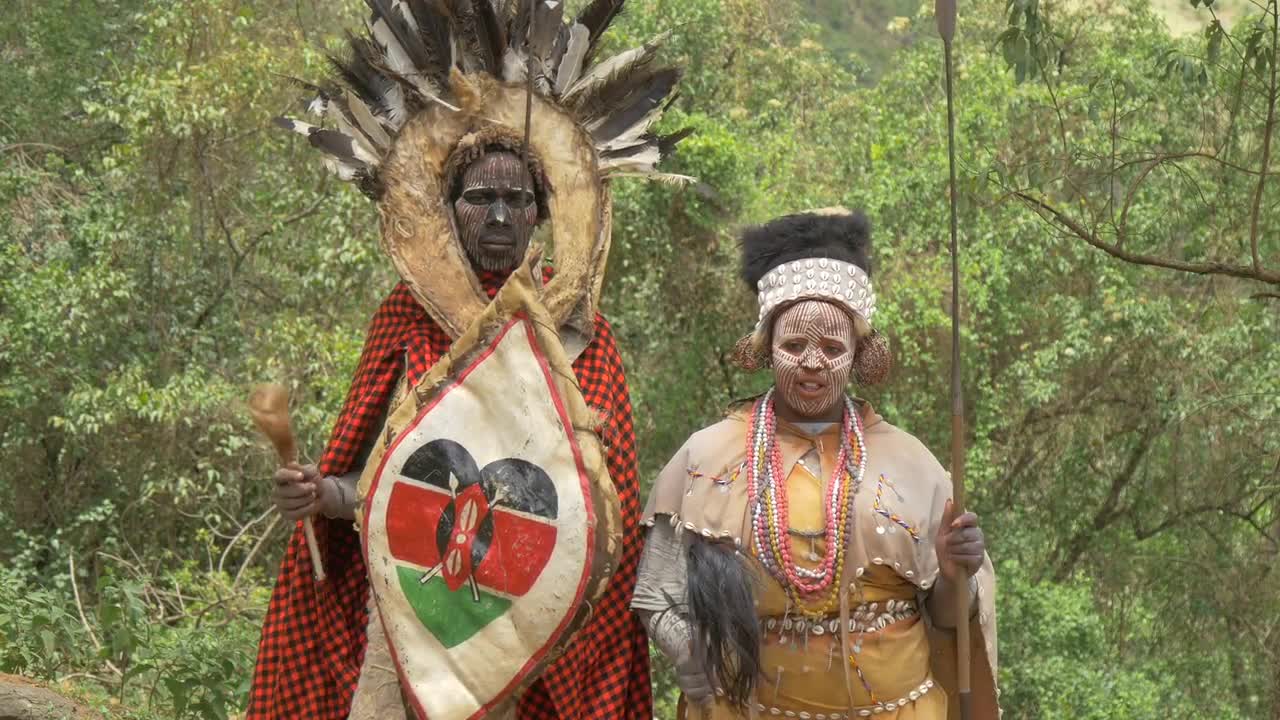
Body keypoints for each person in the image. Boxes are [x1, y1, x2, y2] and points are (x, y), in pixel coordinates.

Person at [247, 0, 688, 717]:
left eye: (518, 200)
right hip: (409, 622)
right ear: (446, 208)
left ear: (543, 212)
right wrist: (321, 495)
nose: (501, 217)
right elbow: (388, 478)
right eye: (481, 198)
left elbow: (600, 508)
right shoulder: (403, 317)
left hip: (534, 635)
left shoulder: (581, 334)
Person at [632, 209, 999, 719]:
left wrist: (956, 576)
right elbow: (655, 591)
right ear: (765, 348)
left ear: (858, 356)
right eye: (793, 344)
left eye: (831, 347)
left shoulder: (912, 464)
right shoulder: (706, 454)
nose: (811, 362)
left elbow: (945, 616)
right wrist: (686, 650)